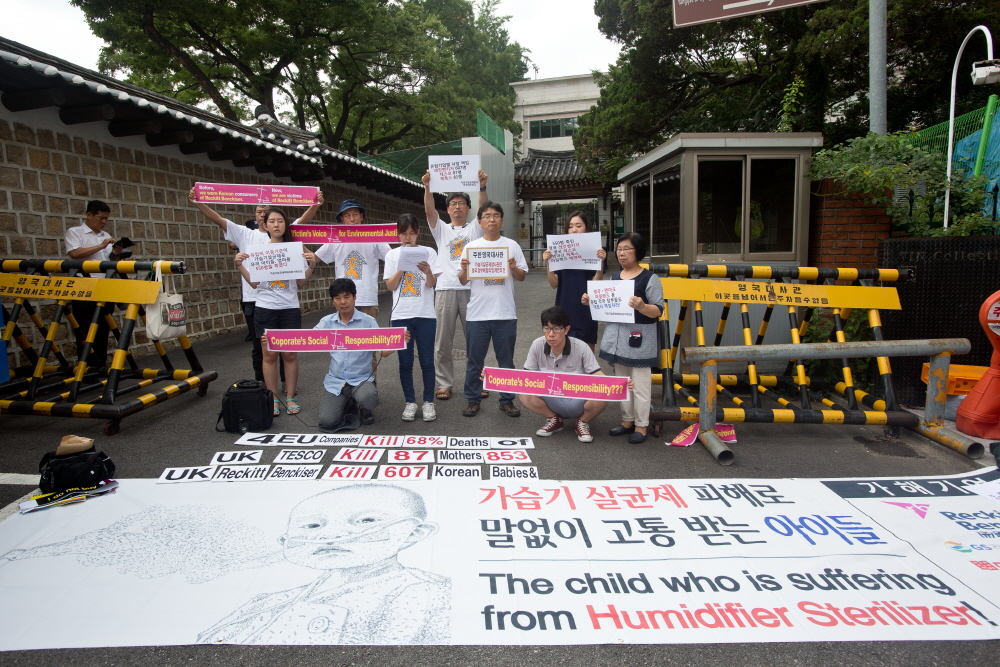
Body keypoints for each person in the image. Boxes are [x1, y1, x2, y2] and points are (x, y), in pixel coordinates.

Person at [197, 484, 450, 645]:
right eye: (312, 526)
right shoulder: (267, 601)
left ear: (416, 533)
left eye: (366, 520)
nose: (330, 535)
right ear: (285, 539)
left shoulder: (431, 594)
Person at [189, 188, 323, 381]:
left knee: (287, 350)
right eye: (260, 211)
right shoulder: (245, 234)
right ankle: (263, 387)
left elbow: (305, 218)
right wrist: (198, 202)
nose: (264, 215)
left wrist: (316, 204)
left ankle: (286, 385)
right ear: (257, 216)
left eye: (268, 211)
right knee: (261, 349)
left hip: (284, 302)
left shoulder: (286, 235)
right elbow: (218, 219)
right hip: (256, 301)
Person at [582, 232, 664, 444]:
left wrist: (642, 306)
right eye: (619, 249)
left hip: (639, 341)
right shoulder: (615, 277)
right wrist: (592, 301)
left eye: (627, 249)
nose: (622, 253)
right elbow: (607, 306)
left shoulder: (650, 278)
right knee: (623, 383)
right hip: (617, 340)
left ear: (639, 252)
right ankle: (627, 421)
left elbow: (658, 310)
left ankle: (642, 425)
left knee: (641, 385)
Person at [236, 208, 317, 416]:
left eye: (280, 221)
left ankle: (290, 396)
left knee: (289, 354)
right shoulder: (258, 251)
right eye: (271, 221)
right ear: (265, 225)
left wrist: (311, 265)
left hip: (289, 308)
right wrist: (240, 266)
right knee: (269, 355)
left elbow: (300, 283)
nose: (276, 225)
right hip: (265, 309)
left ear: (285, 224)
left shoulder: (294, 249)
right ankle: (272, 398)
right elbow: (254, 283)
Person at [422, 169, 490, 401]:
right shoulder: (441, 229)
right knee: (442, 342)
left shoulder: (474, 227)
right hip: (445, 290)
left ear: (469, 208)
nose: (457, 206)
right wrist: (428, 186)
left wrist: (481, 186)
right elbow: (429, 210)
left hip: (473, 291)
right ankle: (444, 383)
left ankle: (477, 382)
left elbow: (484, 207)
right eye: (453, 203)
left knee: (476, 341)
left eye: (461, 203)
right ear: (448, 208)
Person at [518, 306, 632, 443]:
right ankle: (554, 419)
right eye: (547, 328)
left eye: (557, 328)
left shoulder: (581, 347)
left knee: (603, 393)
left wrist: (618, 385)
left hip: (578, 399)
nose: (551, 334)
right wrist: (490, 377)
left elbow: (596, 373)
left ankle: (582, 422)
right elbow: (526, 376)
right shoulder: (537, 345)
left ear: (566, 329)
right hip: (551, 397)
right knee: (523, 392)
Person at [458, 201, 529, 418]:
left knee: (505, 362)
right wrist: (463, 269)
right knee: (474, 361)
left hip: (505, 313)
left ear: (502, 220)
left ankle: (507, 400)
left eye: (496, 215)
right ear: (479, 222)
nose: (491, 219)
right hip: (478, 314)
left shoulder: (512, 246)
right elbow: (462, 281)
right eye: (487, 215)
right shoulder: (471, 247)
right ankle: (472, 399)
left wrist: (513, 267)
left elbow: (522, 276)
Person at [315, 279, 409, 431]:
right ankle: (349, 402)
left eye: (347, 297)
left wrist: (399, 342)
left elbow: (383, 353)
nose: (342, 302)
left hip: (360, 379)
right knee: (327, 421)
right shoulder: (326, 322)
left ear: (354, 297)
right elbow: (305, 341)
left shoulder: (368, 321)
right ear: (333, 300)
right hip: (336, 381)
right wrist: (274, 342)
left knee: (369, 398)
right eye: (337, 298)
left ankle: (364, 407)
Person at [383, 214, 441, 422]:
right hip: (401, 315)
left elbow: (431, 284)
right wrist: (402, 266)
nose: (408, 238)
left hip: (425, 314)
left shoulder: (429, 252)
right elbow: (390, 286)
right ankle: (410, 402)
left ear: (418, 233)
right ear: (398, 234)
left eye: (412, 233)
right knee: (405, 362)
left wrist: (428, 272)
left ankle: (428, 402)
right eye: (404, 233)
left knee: (427, 361)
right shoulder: (392, 255)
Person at [64, 200, 129, 367]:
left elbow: (108, 260)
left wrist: (116, 253)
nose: (103, 221)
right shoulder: (75, 232)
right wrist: (101, 246)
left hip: (104, 284)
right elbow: (75, 253)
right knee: (85, 328)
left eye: (106, 218)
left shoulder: (105, 235)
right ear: (89, 215)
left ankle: (100, 364)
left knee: (103, 327)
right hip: (84, 285)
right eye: (100, 218)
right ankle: (86, 366)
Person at [542, 211, 607, 352]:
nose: (574, 230)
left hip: (586, 308)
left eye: (578, 225)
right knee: (563, 353)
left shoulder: (594, 251)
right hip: (564, 307)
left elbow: (597, 283)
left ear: (586, 228)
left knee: (587, 354)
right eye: (571, 226)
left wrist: (600, 263)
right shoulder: (561, 250)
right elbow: (554, 284)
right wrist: (548, 263)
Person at [315, 199, 390, 319]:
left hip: (367, 299)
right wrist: (296, 243)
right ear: (342, 219)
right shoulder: (336, 239)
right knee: (345, 335)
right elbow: (315, 258)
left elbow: (391, 257)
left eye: (355, 214)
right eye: (347, 215)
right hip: (343, 299)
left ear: (361, 216)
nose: (352, 219)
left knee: (368, 336)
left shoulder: (374, 236)